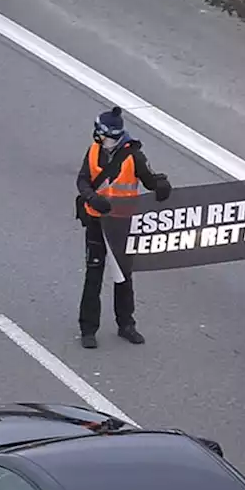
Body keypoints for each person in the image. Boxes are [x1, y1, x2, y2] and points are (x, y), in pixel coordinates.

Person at [74, 106, 172, 349]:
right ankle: (88, 329)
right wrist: (90, 197)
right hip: (97, 222)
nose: (110, 142)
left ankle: (126, 324)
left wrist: (162, 186)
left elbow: (150, 180)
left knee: (123, 276)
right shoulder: (94, 151)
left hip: (122, 225)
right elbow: (83, 179)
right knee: (93, 275)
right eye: (108, 137)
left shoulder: (134, 155)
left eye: (114, 138)